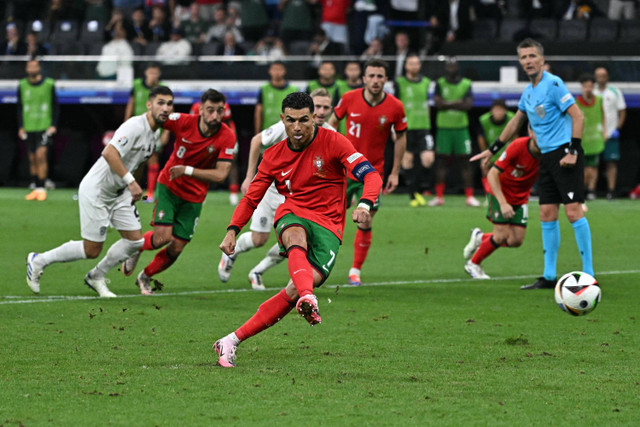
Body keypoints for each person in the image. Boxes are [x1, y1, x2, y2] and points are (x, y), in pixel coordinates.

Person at [213, 92, 383, 367]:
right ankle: (309, 296)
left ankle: (230, 340)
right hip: (293, 212)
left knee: (293, 291)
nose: (297, 127)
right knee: (293, 233)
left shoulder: (334, 141)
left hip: (329, 225)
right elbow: (251, 198)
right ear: (282, 120)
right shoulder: (273, 156)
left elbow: (370, 175)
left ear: (314, 118)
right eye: (291, 120)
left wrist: (364, 203)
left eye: (304, 120)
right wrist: (232, 229)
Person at [26, 86, 174, 297]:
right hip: (97, 190)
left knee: (135, 241)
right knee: (92, 250)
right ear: (149, 104)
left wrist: (133, 190)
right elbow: (109, 152)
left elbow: (140, 163)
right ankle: (38, 260)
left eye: (169, 104)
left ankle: (96, 276)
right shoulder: (134, 126)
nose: (166, 108)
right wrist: (132, 182)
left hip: (120, 192)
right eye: (161, 103)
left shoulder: (155, 134)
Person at [471, 38, 593, 289]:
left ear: (541, 59)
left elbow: (577, 115)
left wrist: (573, 150)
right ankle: (549, 277)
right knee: (547, 214)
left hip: (564, 155)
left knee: (572, 212)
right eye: (523, 57)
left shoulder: (554, 84)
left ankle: (589, 275)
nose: (528, 61)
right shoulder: (528, 92)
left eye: (532, 56)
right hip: (546, 159)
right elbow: (515, 122)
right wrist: (492, 150)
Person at [120, 89, 237, 295]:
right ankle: (136, 246)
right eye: (210, 110)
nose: (215, 116)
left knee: (177, 247)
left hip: (195, 197)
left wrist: (188, 170)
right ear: (200, 110)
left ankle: (145, 276)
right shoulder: (183, 121)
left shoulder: (227, 136)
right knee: (162, 238)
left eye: (220, 111)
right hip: (169, 186)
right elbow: (156, 119)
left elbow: (221, 175)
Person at [218, 89, 336, 290]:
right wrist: (249, 176)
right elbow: (256, 141)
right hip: (271, 189)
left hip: (297, 195)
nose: (322, 111)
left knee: (298, 240)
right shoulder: (290, 126)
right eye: (318, 106)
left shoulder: (331, 136)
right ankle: (232, 251)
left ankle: (257, 271)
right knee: (259, 239)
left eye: (326, 107)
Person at [328, 58, 407, 286]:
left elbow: (401, 138)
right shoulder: (349, 99)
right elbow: (331, 125)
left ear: (386, 79)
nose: (375, 80)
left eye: (379, 76)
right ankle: (321, 262)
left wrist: (395, 172)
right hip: (343, 171)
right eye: (371, 75)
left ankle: (355, 270)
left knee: (365, 220)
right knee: (329, 217)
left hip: (373, 173)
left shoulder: (395, 106)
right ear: (363, 78)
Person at [464, 127, 541, 279]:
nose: (543, 137)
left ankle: (480, 238)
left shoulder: (550, 152)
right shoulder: (518, 146)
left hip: (521, 197)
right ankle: (473, 263)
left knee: (515, 241)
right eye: (539, 132)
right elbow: (493, 173)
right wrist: (503, 203)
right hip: (500, 193)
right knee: (501, 235)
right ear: (530, 132)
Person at [431, 57, 480, 207]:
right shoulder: (439, 83)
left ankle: (470, 197)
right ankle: (439, 197)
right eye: (449, 66)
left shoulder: (466, 84)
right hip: (444, 128)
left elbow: (468, 105)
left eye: (454, 66)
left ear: (458, 67)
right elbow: (438, 104)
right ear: (445, 68)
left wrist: (447, 103)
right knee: (441, 162)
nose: (451, 68)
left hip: (461, 128)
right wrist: (457, 102)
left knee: (466, 162)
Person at [393, 53, 435, 207]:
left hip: (423, 127)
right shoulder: (400, 83)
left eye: (416, 63)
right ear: (406, 66)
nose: (414, 66)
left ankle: (415, 190)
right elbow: (395, 107)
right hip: (406, 127)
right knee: (407, 161)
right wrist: (394, 128)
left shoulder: (426, 82)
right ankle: (413, 196)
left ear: (419, 66)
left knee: (428, 159)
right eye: (411, 63)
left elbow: (428, 104)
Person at [124, 62, 167, 202]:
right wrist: (126, 124)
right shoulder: (137, 85)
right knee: (134, 160)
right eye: (151, 72)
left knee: (152, 159)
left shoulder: (163, 88)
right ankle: (131, 190)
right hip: (137, 129)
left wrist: (166, 131)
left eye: (155, 73)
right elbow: (131, 103)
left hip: (155, 129)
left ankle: (150, 193)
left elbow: (169, 111)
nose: (153, 75)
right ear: (146, 72)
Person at [18, 58, 59, 201]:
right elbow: (19, 106)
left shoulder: (49, 84)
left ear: (39, 68)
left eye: (34, 66)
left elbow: (55, 105)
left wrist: (54, 124)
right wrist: (20, 126)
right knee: (32, 157)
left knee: (41, 154)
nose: (32, 69)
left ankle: (42, 187)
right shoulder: (22, 85)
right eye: (29, 66)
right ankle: (35, 188)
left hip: (44, 125)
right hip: (29, 126)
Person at [189, 100, 240, 205]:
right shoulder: (196, 107)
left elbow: (228, 122)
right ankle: (199, 193)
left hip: (224, 136)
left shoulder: (224, 106)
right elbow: (192, 124)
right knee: (201, 164)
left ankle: (234, 193)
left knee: (232, 163)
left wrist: (232, 139)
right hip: (205, 138)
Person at [593, 66, 626, 200]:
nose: (601, 77)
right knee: (592, 163)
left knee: (611, 162)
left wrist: (617, 129)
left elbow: (622, 111)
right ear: (595, 77)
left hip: (611, 133)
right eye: (599, 75)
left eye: (604, 75)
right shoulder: (591, 91)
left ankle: (611, 191)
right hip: (594, 135)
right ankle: (590, 191)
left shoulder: (615, 92)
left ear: (607, 77)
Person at [576, 73, 606, 203]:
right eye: (585, 86)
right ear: (582, 87)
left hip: (595, 140)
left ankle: (591, 191)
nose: (588, 89)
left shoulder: (599, 100)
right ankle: (582, 190)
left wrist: (604, 132)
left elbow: (603, 116)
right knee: (583, 169)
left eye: (590, 86)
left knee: (593, 167)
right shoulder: (575, 102)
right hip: (581, 141)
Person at [477, 99, 516, 196]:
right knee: (484, 166)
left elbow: (515, 138)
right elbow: (481, 139)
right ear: (491, 111)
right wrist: (484, 156)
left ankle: (509, 194)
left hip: (506, 153)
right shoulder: (484, 120)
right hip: (491, 153)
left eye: (501, 110)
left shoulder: (512, 119)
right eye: (496, 110)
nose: (498, 113)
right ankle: (489, 195)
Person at [254, 61, 299, 134]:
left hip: (288, 132)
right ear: (270, 71)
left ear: (284, 71)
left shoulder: (294, 90)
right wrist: (257, 133)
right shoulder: (264, 89)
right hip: (268, 131)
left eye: (280, 69)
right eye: (274, 69)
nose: (277, 72)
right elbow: (258, 112)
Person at [334, 61, 363, 135]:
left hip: (362, 125)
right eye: (350, 69)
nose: (353, 72)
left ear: (360, 71)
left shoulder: (366, 87)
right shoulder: (339, 87)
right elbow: (335, 108)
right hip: (343, 127)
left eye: (355, 69)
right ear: (345, 71)